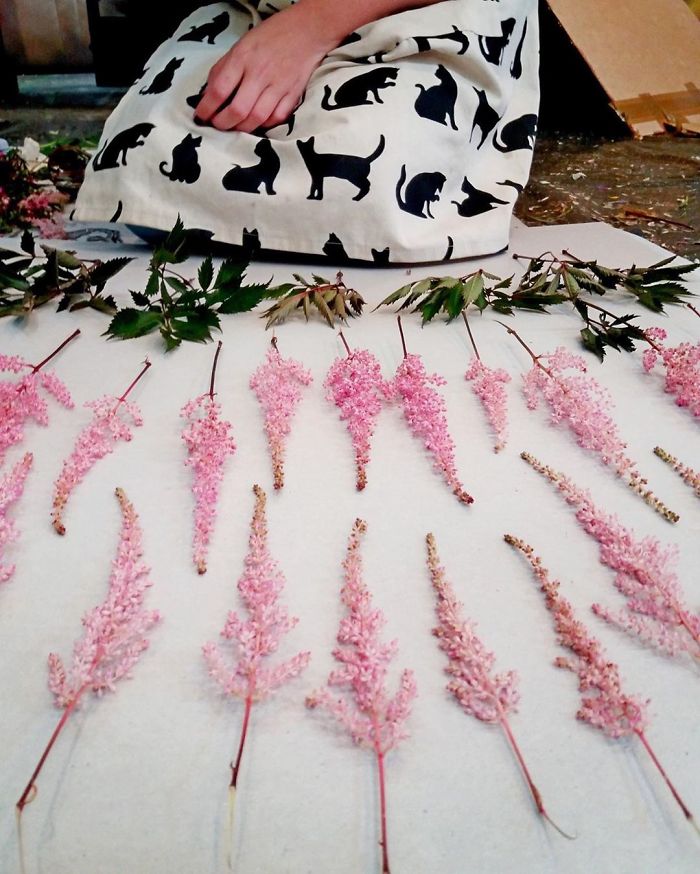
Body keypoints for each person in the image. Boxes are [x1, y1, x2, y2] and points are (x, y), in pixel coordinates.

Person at [74, 0, 539, 264]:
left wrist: (314, 26)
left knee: (375, 195)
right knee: (143, 166)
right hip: (264, 10)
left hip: (425, 13)